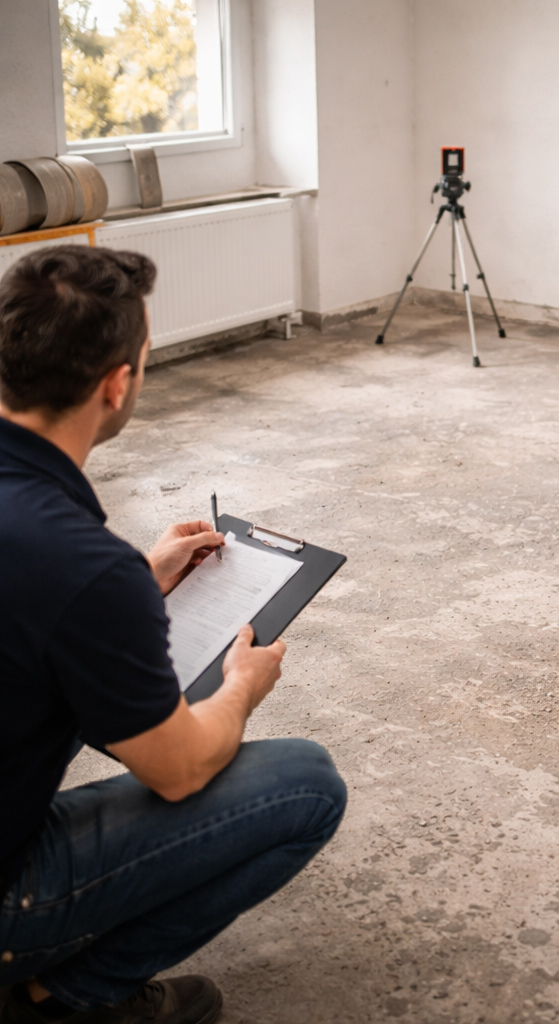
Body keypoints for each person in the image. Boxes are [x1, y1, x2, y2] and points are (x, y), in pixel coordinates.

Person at [0, 246, 347, 1024]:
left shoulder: (70, 553)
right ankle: (65, 1001)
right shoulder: (82, 566)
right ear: (118, 382)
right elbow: (178, 769)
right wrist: (241, 690)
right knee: (308, 785)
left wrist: (136, 581)